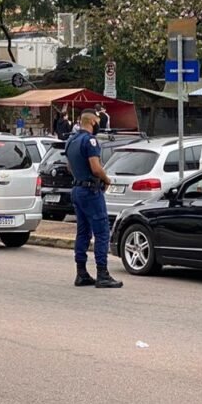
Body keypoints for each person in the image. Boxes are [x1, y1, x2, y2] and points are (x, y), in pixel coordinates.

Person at [65, 112, 122, 289]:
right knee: (102, 231)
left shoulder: (71, 141)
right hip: (91, 191)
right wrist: (106, 179)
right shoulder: (90, 141)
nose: (99, 124)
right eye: (97, 121)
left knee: (83, 232)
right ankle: (102, 274)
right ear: (90, 121)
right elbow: (96, 168)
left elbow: (69, 167)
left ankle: (81, 273)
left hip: (77, 189)